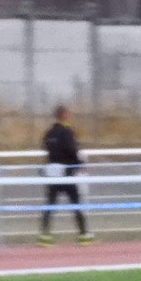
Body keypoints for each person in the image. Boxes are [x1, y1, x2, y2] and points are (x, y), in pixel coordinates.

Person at [39, 104, 93, 245]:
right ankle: (83, 235)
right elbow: (72, 150)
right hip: (66, 173)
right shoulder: (66, 132)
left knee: (50, 204)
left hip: (52, 174)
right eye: (68, 114)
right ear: (64, 115)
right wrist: (80, 163)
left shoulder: (49, 133)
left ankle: (44, 236)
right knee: (76, 204)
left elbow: (47, 149)